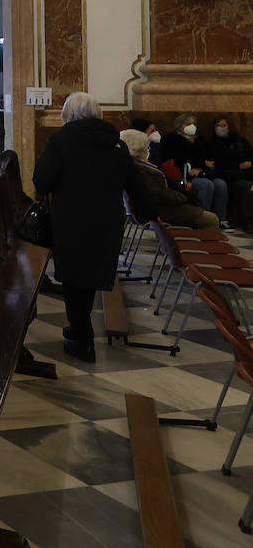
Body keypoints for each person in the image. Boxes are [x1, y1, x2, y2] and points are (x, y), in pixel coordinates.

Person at [33, 92, 138, 363]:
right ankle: (79, 328)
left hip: (71, 219)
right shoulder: (117, 143)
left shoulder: (61, 141)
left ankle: (83, 339)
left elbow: (42, 180)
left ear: (68, 114)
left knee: (72, 277)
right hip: (107, 220)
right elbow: (134, 183)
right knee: (89, 275)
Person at [120, 129, 217, 229]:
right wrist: (183, 197)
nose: (148, 150)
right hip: (160, 211)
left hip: (159, 207)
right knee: (211, 219)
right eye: (146, 147)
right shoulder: (139, 169)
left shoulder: (135, 164)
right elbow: (158, 194)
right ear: (138, 148)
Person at [161, 113, 231, 228]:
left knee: (220, 184)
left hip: (202, 172)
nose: (192, 126)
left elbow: (206, 158)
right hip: (184, 174)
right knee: (207, 185)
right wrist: (200, 163)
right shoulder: (172, 139)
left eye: (194, 124)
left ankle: (222, 219)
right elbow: (177, 158)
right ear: (180, 125)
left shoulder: (199, 140)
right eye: (188, 124)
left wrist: (202, 166)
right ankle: (204, 218)